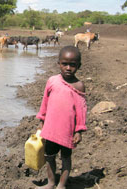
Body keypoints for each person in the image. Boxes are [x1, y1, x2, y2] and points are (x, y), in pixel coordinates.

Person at [36, 46, 87, 189]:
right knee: (49, 156)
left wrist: (79, 131)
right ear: (58, 63)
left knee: (66, 158)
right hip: (51, 129)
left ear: (79, 66)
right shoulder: (52, 81)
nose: (68, 68)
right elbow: (45, 102)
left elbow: (81, 111)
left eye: (73, 64)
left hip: (67, 131)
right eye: (65, 64)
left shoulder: (79, 86)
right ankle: (51, 182)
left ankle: (62, 185)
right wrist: (42, 121)